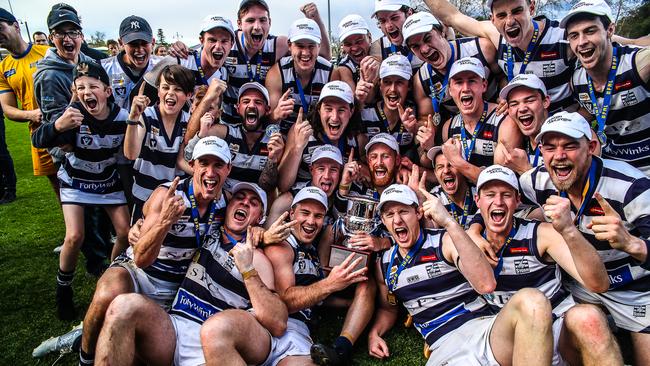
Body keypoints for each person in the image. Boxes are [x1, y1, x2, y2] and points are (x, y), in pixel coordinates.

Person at [93, 143, 276, 366]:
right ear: (192, 166)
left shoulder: (249, 246)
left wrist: (260, 239)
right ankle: (85, 355)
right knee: (115, 300)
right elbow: (141, 257)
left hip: (211, 339)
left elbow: (276, 320)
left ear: (228, 169)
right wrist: (162, 221)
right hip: (159, 297)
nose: (210, 172)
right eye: (204, 164)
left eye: (218, 165)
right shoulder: (172, 198)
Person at [369, 184, 554, 365]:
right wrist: (374, 333)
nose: (397, 220)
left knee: (533, 301)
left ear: (418, 213)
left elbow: (486, 284)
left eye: (403, 211)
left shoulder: (445, 241)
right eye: (389, 214)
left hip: (482, 331)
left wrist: (449, 223)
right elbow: (388, 308)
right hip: (444, 346)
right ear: (384, 221)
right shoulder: (384, 264)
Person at [519, 111, 650, 364]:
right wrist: (477, 228)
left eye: (569, 146)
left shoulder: (629, 186)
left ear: (590, 147)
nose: (558, 156)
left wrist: (632, 244)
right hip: (582, 288)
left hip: (635, 290)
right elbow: (503, 198)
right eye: (550, 147)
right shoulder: (536, 181)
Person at [473, 165, 621, 365]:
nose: (498, 201)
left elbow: (598, 283)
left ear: (517, 201)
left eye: (506, 195)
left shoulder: (541, 234)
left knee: (589, 317)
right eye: (490, 194)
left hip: (556, 326)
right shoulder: (467, 242)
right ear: (477, 201)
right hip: (507, 334)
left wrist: (568, 229)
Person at [31, 61, 130, 321]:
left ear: (107, 91)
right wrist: (58, 126)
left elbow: (126, 157)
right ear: (75, 91)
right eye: (81, 87)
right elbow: (37, 139)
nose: (87, 92)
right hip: (76, 180)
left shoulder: (121, 117)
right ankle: (63, 290)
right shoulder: (72, 114)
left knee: (125, 231)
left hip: (107, 180)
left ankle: (111, 274)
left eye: (93, 86)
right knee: (74, 236)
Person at [264, 186, 369, 364]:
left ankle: (341, 349)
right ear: (291, 214)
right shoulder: (282, 246)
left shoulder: (311, 250)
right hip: (273, 325)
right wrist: (330, 284)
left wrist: (351, 304)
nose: (311, 221)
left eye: (318, 216)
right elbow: (285, 302)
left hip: (298, 333)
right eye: (305, 213)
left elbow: (312, 294)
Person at [423, 0, 577, 113]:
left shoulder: (562, 36)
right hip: (522, 123)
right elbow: (451, 16)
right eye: (502, 15)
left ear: (531, 8)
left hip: (563, 131)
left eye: (517, 11)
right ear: (493, 19)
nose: (510, 21)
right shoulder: (498, 37)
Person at [562, 0, 650, 175]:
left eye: (590, 31)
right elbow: (589, 111)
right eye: (574, 35)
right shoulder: (577, 81)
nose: (582, 42)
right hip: (615, 171)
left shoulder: (639, 64)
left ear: (610, 30)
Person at [220, 1, 331, 125]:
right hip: (230, 122)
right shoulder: (227, 43)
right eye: (250, 20)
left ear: (270, 23)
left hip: (261, 124)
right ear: (239, 24)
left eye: (262, 20)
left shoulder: (279, 45)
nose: (257, 26)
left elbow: (323, 57)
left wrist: (316, 19)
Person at [403, 11, 501, 132]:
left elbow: (503, 75)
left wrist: (504, 97)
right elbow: (426, 118)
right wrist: (415, 127)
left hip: (498, 118)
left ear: (442, 32)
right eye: (415, 47)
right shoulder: (421, 80)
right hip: (464, 132)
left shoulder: (482, 49)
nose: (424, 49)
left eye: (428, 39)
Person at [183, 80, 285, 193]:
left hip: (254, 203)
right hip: (223, 200)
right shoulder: (224, 133)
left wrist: (272, 159)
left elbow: (267, 187)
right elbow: (188, 156)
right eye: (246, 101)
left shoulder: (274, 141)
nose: (251, 105)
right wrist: (201, 134)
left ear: (267, 110)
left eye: (258, 102)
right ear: (237, 108)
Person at [124, 64, 195, 222]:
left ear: (189, 95)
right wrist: (133, 118)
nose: (170, 93)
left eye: (177, 89)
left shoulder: (189, 123)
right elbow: (131, 154)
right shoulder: (146, 116)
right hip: (144, 197)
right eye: (165, 87)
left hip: (174, 200)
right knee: (138, 244)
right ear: (158, 90)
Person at [0, 8, 57, 200]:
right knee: (58, 186)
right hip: (39, 134)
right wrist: (31, 114)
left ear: (16, 26)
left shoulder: (48, 52)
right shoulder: (3, 68)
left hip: (66, 127)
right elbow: (7, 109)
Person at [438, 57, 522, 184]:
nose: (465, 88)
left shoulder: (505, 121)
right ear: (450, 90)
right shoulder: (448, 127)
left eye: (472, 81)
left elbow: (501, 183)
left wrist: (458, 162)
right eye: (459, 82)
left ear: (484, 85)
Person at [278, 80, 359, 193]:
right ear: (319, 109)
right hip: (305, 199)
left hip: (340, 201)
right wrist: (297, 148)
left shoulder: (357, 138)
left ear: (351, 111)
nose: (334, 117)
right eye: (328, 109)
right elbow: (282, 186)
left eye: (341, 110)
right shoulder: (302, 131)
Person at [265, 17, 333, 134]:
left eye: (311, 46)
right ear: (289, 46)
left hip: (318, 136)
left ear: (319, 46)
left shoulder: (330, 73)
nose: (305, 53)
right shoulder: (277, 73)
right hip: (285, 136)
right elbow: (268, 125)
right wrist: (276, 115)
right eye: (300, 46)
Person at [357, 54, 420, 156]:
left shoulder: (415, 112)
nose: (393, 89)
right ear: (379, 84)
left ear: (409, 85)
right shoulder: (366, 114)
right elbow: (362, 156)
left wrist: (415, 129)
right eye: (387, 82)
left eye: (399, 82)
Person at [101, 15, 159, 110]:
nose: (140, 49)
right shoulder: (103, 68)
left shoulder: (163, 64)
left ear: (152, 42)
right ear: (120, 43)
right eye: (133, 44)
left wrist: (180, 49)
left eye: (144, 43)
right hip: (117, 124)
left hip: (151, 124)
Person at [427, 146, 477, 229]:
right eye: (440, 167)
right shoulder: (434, 198)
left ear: (462, 168)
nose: (446, 171)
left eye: (451, 165)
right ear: (435, 173)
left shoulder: (478, 192)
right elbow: (431, 227)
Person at [369, 0, 423, 70]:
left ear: (409, 13)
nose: (388, 26)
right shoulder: (379, 47)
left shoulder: (430, 37)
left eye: (394, 18)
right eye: (382, 21)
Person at [332, 14, 374, 92]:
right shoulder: (344, 68)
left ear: (370, 37)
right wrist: (359, 94)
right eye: (348, 44)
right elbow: (352, 101)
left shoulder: (381, 51)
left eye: (359, 41)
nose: (354, 48)